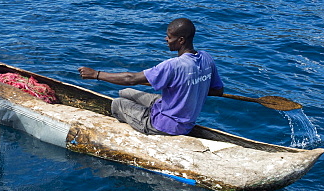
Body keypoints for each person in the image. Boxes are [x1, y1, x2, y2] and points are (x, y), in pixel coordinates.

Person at [77, 18, 223, 136]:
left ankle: (137, 129)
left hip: (166, 125)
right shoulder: (206, 58)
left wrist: (96, 74)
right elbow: (218, 91)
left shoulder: (173, 65)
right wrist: (193, 88)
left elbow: (131, 78)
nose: (166, 39)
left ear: (181, 40)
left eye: (170, 37)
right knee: (126, 92)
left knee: (118, 103)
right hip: (182, 115)